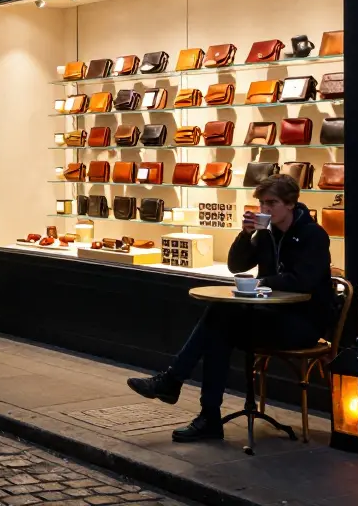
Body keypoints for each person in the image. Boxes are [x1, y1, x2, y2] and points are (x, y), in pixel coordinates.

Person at [127, 174, 333, 442]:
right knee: (218, 326)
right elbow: (237, 266)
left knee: (219, 321)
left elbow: (303, 281)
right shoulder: (266, 234)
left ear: (291, 203)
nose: (265, 209)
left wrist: (262, 281)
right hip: (270, 317)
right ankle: (206, 415)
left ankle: (176, 385)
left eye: (271, 203)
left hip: (301, 324)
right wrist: (246, 234)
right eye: (261, 203)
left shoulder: (313, 235)